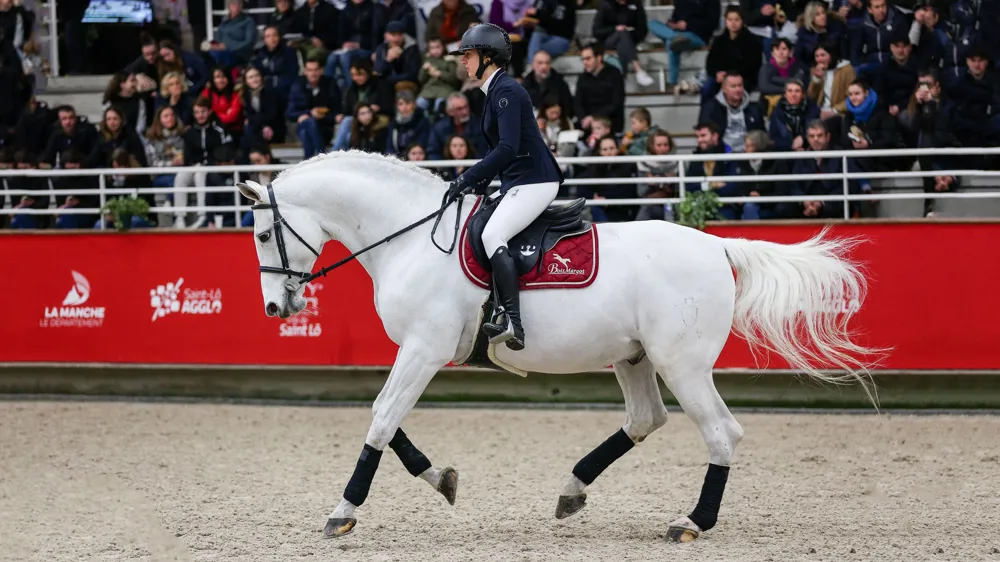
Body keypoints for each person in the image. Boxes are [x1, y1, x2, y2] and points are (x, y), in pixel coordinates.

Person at [444, 23, 564, 352]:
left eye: (467, 55)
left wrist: (467, 178)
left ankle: (512, 319)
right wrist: (477, 184)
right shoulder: (493, 91)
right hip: (517, 180)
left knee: (491, 235)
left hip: (536, 181)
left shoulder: (507, 91)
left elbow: (508, 148)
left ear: (487, 57)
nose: (463, 62)